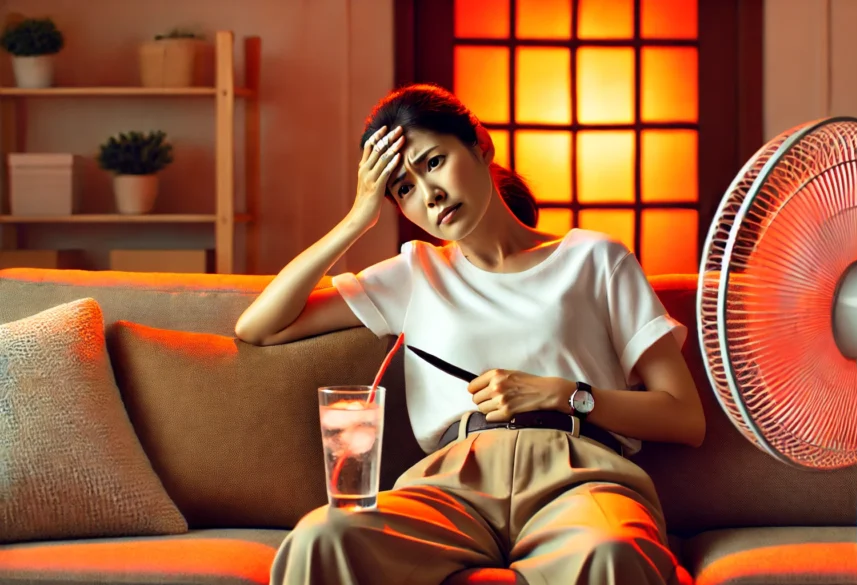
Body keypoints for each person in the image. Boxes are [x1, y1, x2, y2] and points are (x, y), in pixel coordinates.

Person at [235, 83, 707, 585]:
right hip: (450, 486)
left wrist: (563, 394)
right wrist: (358, 217)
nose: (429, 194)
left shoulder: (595, 259)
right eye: (404, 189)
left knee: (613, 551)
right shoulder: (415, 272)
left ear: (480, 143)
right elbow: (260, 327)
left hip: (579, 479)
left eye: (433, 162)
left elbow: (684, 416)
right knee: (322, 537)